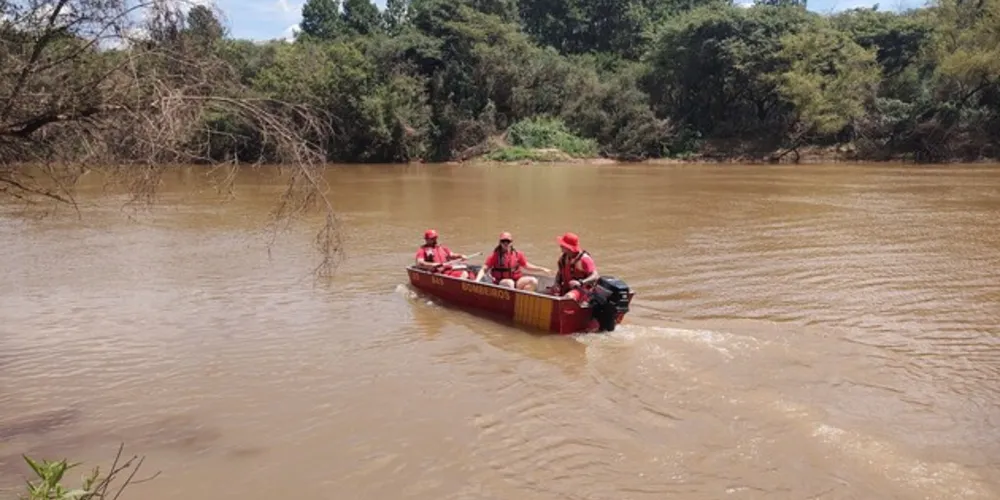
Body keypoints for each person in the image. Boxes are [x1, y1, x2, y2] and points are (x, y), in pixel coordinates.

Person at [475, 232, 551, 290]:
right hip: (501, 282)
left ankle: (522, 297)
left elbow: (527, 266)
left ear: (511, 243)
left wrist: (542, 269)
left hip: (516, 280)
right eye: (503, 241)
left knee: (533, 281)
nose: (505, 243)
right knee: (509, 283)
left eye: (507, 241)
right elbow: (484, 269)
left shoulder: (518, 254)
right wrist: (477, 281)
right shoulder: (495, 255)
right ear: (500, 243)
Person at [550, 232, 599, 302]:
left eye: (562, 245)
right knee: (547, 292)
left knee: (568, 297)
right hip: (566, 288)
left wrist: (581, 282)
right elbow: (559, 272)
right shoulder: (564, 257)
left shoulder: (584, 259)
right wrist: (556, 283)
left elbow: (595, 276)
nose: (560, 246)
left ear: (569, 248)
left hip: (581, 290)